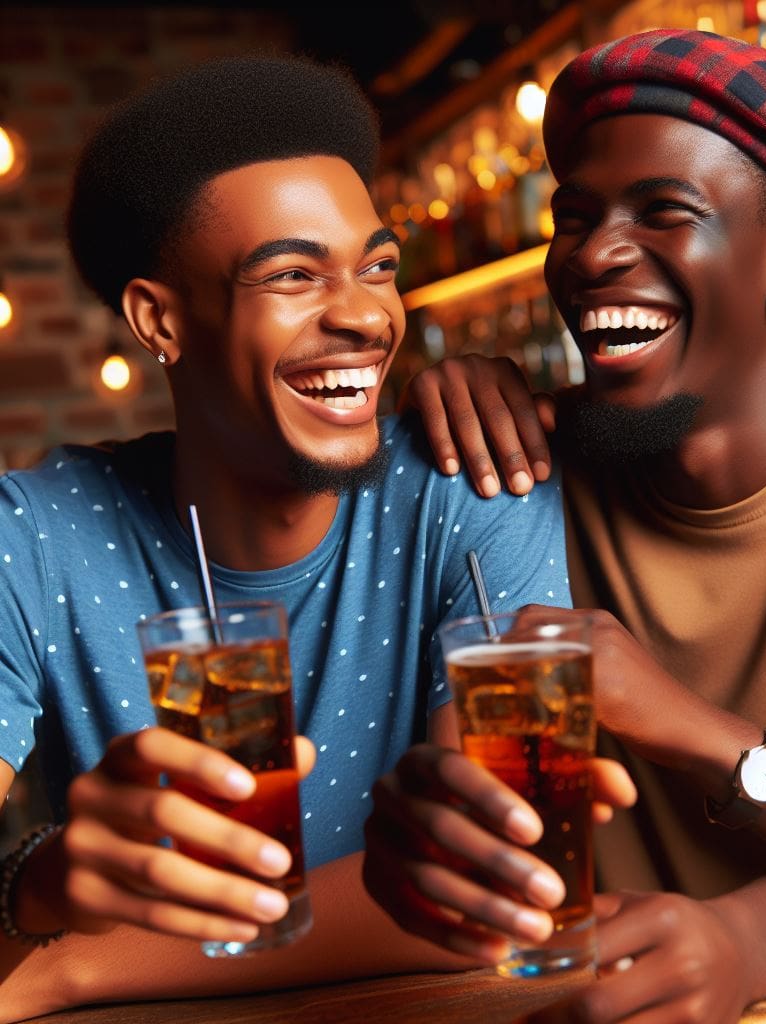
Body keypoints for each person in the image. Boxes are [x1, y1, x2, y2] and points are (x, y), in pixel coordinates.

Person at [362, 27, 766, 1023]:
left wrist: (690, 733)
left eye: (663, 211)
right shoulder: (507, 464)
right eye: (573, 219)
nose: (592, 254)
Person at [0, 53, 635, 1021]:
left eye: (377, 267)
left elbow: (494, 881)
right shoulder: (33, 531)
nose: (363, 315)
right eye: (293, 275)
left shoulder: (473, 486)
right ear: (158, 320)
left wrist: (64, 964)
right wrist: (32, 891)